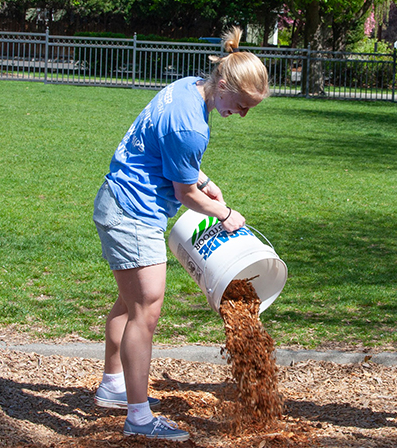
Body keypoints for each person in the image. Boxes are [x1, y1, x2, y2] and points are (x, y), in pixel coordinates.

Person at [92, 26, 268, 442]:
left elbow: (169, 154)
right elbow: (184, 194)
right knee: (145, 310)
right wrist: (225, 212)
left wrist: (205, 179)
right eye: (241, 105)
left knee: (131, 298)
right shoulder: (191, 125)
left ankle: (113, 384)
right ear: (223, 84)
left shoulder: (189, 87)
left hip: (119, 200)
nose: (241, 114)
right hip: (133, 212)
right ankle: (138, 416)